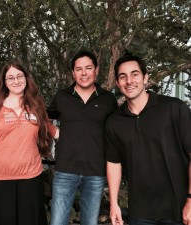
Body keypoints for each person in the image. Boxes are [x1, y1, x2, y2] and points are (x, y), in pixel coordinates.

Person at [106, 53, 191, 225]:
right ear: (117, 83)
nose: (129, 81)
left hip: (178, 208)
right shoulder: (114, 122)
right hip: (140, 212)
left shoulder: (174, 108)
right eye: (123, 77)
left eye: (135, 74)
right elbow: (114, 163)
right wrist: (114, 204)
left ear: (145, 78)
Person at [0, 60, 59, 225]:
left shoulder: (36, 103)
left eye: (20, 76)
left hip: (30, 175)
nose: (16, 81)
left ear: (26, 78)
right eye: (11, 78)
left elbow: (50, 128)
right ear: (5, 82)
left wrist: (79, 135)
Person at [47, 50, 118, 225]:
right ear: (73, 72)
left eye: (88, 68)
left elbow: (116, 131)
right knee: (57, 222)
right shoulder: (62, 97)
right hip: (65, 170)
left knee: (90, 222)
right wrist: (54, 132)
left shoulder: (108, 99)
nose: (84, 73)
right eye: (79, 69)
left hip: (95, 172)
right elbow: (42, 119)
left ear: (96, 70)